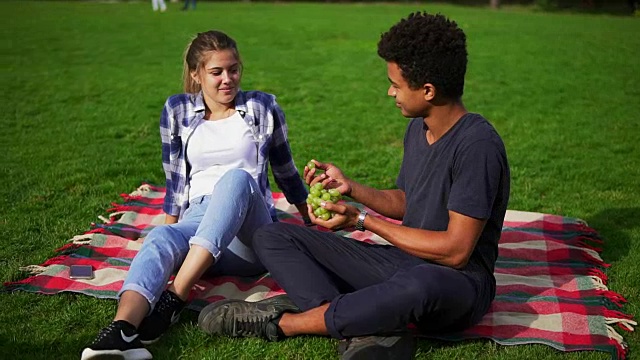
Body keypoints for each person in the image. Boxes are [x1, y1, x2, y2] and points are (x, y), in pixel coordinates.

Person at [197, 12, 511, 360]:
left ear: (428, 90)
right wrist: (352, 188)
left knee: (422, 284)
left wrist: (363, 221)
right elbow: (407, 201)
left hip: (457, 283)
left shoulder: (477, 145)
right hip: (402, 262)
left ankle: (287, 323)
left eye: (396, 83)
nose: (390, 91)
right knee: (273, 236)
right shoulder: (419, 128)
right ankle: (364, 322)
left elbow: (456, 251)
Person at [81, 30, 309, 360]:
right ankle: (122, 332)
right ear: (196, 74)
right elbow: (175, 181)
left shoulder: (262, 106)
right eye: (216, 72)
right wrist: (169, 229)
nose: (227, 79)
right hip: (200, 224)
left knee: (235, 179)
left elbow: (284, 167)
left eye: (233, 69)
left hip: (250, 235)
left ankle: (176, 295)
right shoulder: (177, 110)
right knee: (160, 235)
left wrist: (306, 214)